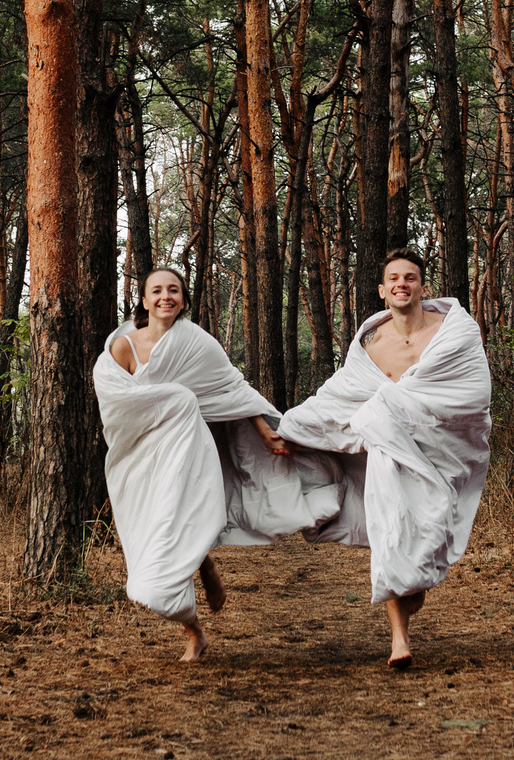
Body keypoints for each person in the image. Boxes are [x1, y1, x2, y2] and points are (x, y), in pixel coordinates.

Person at [92, 268, 336, 661]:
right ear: (143, 300)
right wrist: (172, 398)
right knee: (150, 535)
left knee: (173, 523)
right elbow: (115, 404)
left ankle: (193, 620)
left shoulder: (196, 343)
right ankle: (199, 595)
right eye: (157, 290)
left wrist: (263, 429)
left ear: (184, 300)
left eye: (174, 290)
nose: (165, 297)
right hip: (140, 456)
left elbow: (230, 387)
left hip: (186, 448)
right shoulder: (123, 347)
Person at [277, 249, 493, 670]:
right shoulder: (371, 344)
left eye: (410, 277)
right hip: (386, 455)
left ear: (422, 286)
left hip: (438, 455)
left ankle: (410, 593)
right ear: (381, 290)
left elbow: (472, 394)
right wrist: (289, 428)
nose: (401, 284)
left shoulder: (455, 333)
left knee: (425, 544)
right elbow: (338, 397)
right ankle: (399, 639)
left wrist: (401, 409)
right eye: (393, 278)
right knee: (390, 530)